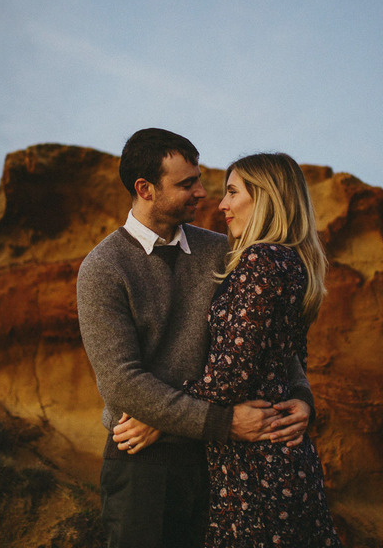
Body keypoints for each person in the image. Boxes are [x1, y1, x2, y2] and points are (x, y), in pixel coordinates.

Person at [77, 129, 315, 548]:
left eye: (200, 180)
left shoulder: (224, 250)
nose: (202, 193)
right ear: (145, 189)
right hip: (143, 464)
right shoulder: (103, 267)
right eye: (187, 184)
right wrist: (222, 422)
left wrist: (301, 394)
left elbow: (272, 336)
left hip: (218, 464)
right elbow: (120, 383)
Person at [185, 152, 342, 547]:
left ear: (266, 199)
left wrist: (162, 415)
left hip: (254, 467)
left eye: (233, 192)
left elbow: (230, 374)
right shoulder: (293, 262)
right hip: (287, 457)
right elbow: (292, 359)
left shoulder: (259, 260)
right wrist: (302, 399)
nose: (222, 204)